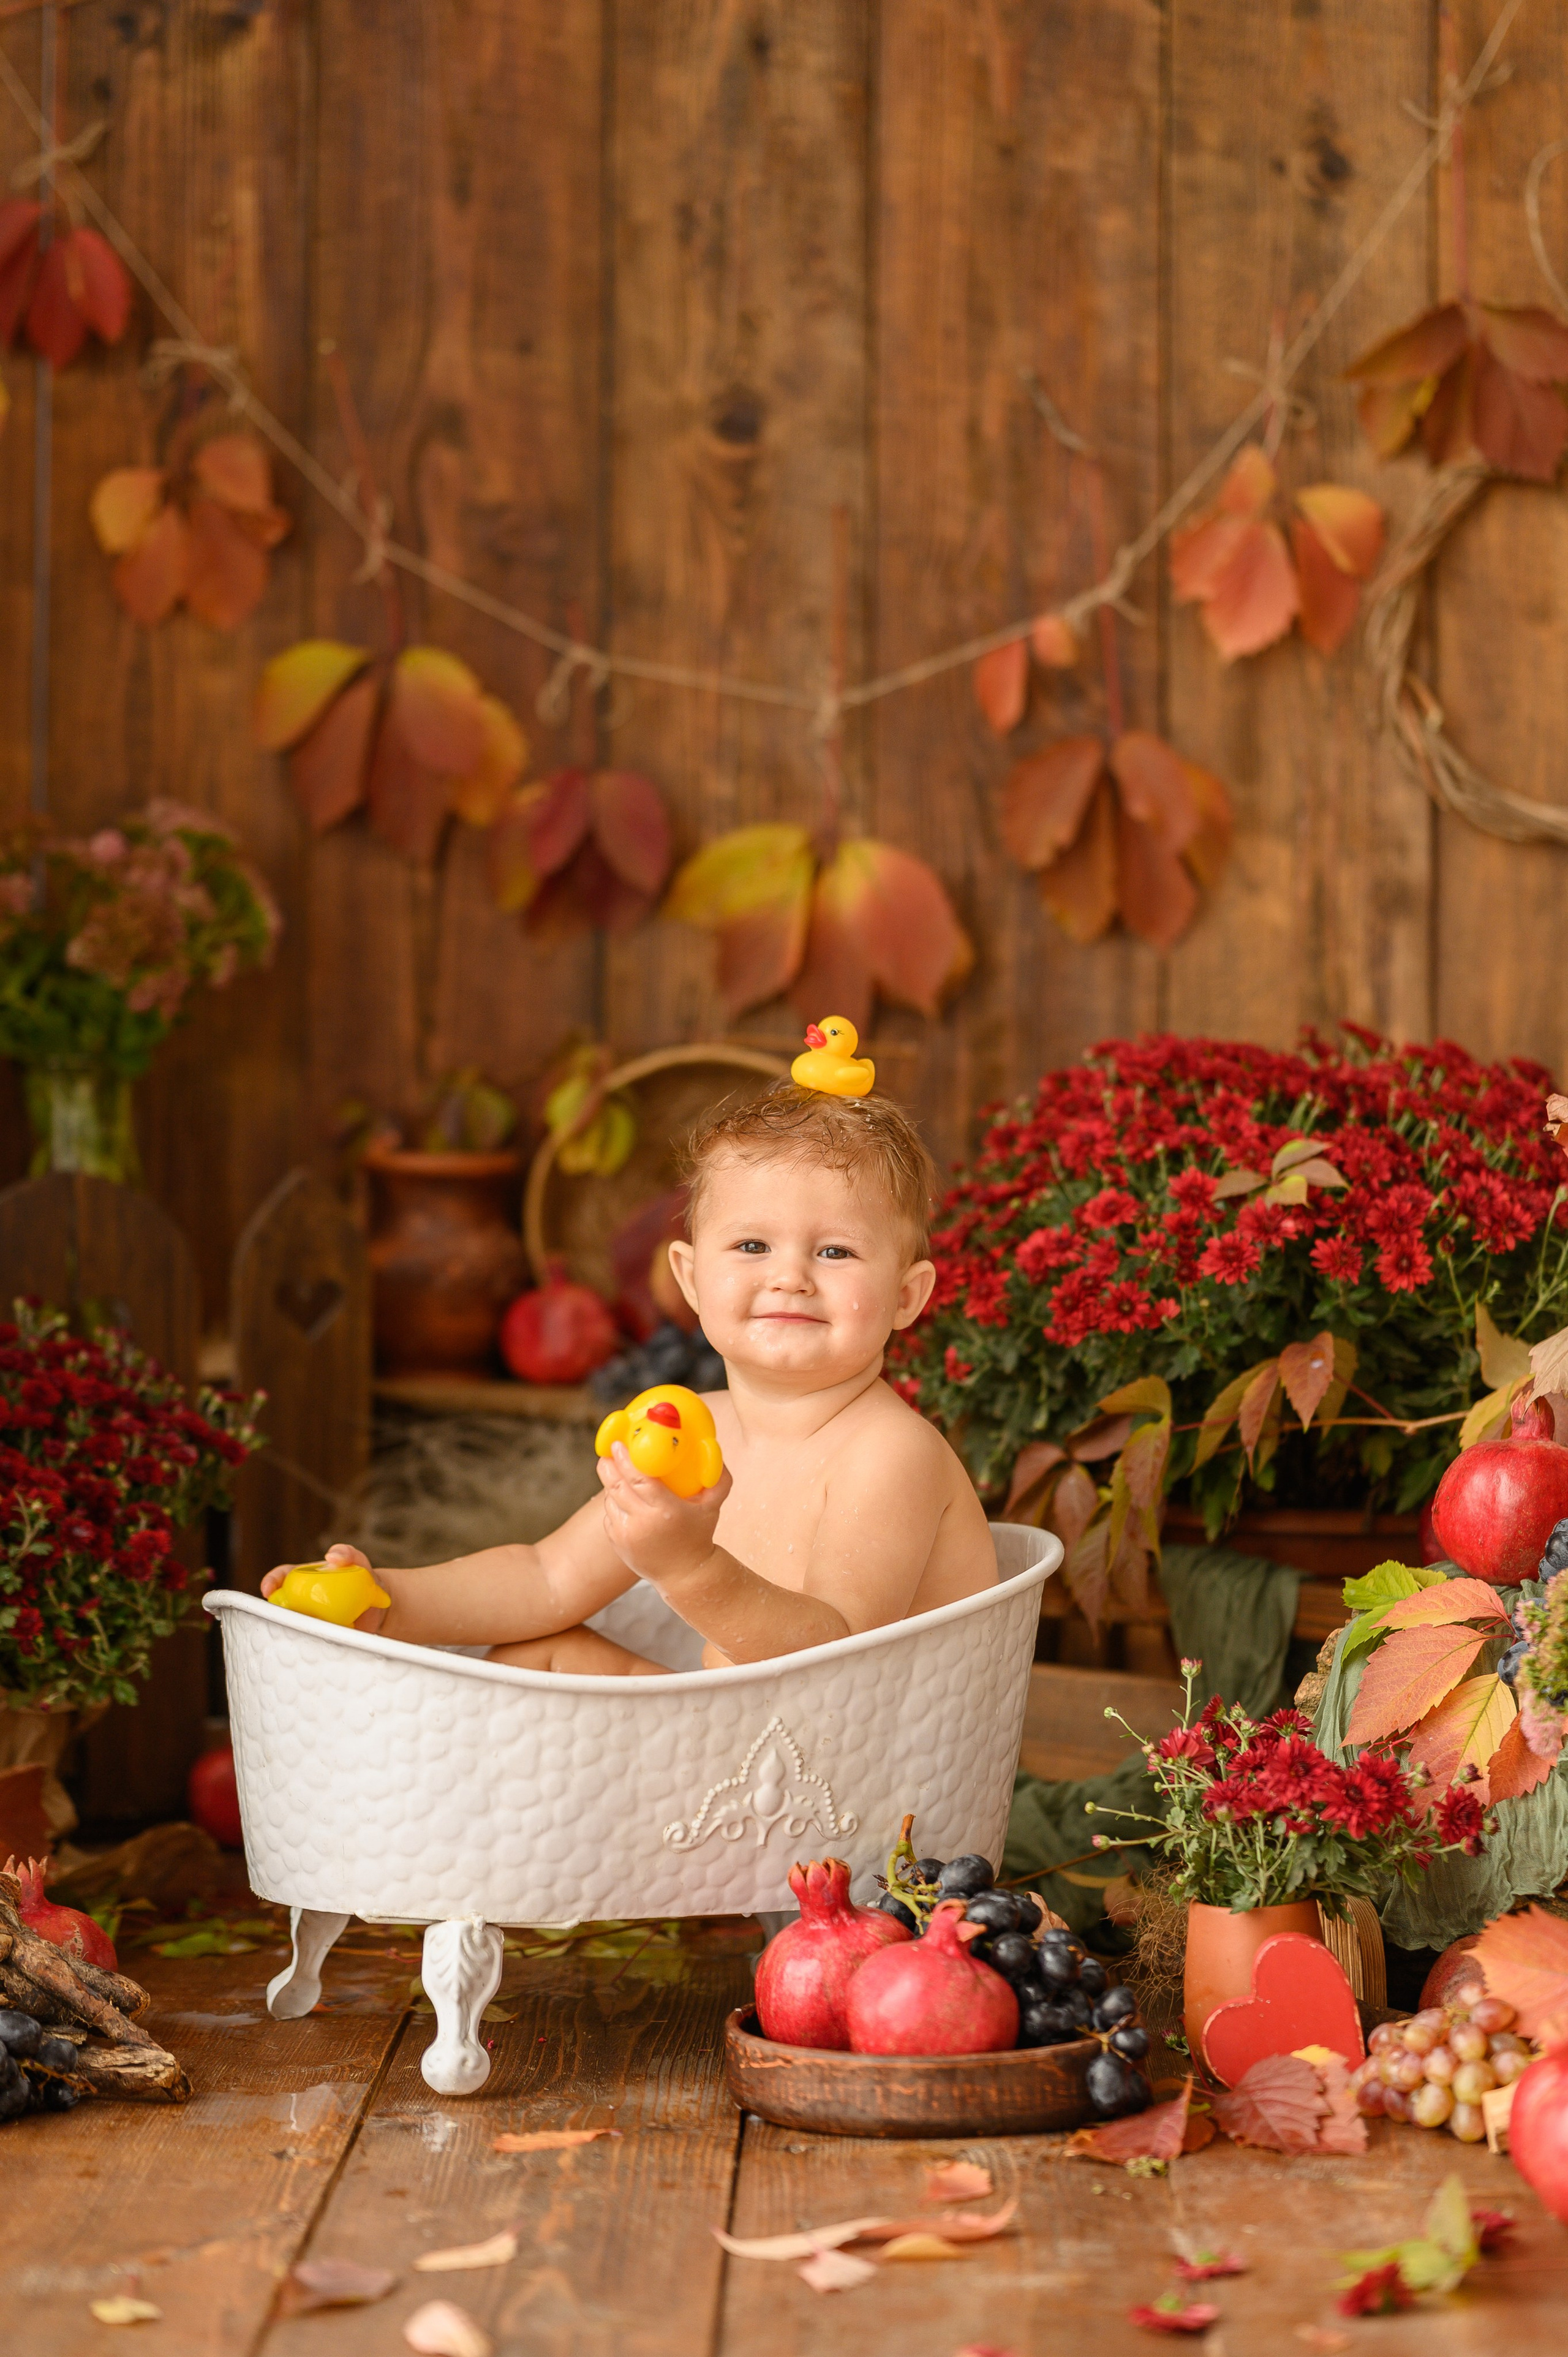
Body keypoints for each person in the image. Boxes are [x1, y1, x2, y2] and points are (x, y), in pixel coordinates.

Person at [262, 1074, 996, 1671]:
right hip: (739, 1745)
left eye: (835, 1252)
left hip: (861, 1774)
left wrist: (689, 1567)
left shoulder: (888, 1453)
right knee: (537, 1651)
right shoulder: (689, 1433)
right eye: (750, 1244)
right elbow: (547, 1577)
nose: (789, 1278)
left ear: (907, 1296)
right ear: (690, 1279)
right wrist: (387, 1599)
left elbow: (834, 1654)